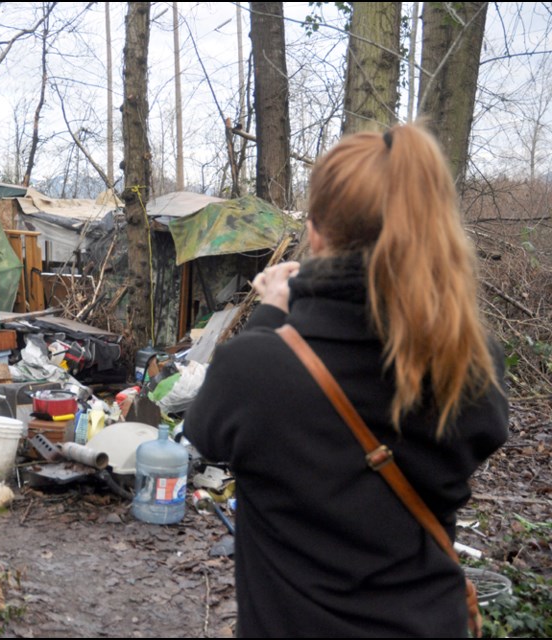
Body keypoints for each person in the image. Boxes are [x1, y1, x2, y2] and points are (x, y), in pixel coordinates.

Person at [184, 123, 509, 637]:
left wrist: (273, 313)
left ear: (313, 232)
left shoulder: (255, 372)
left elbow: (204, 432)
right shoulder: (470, 361)